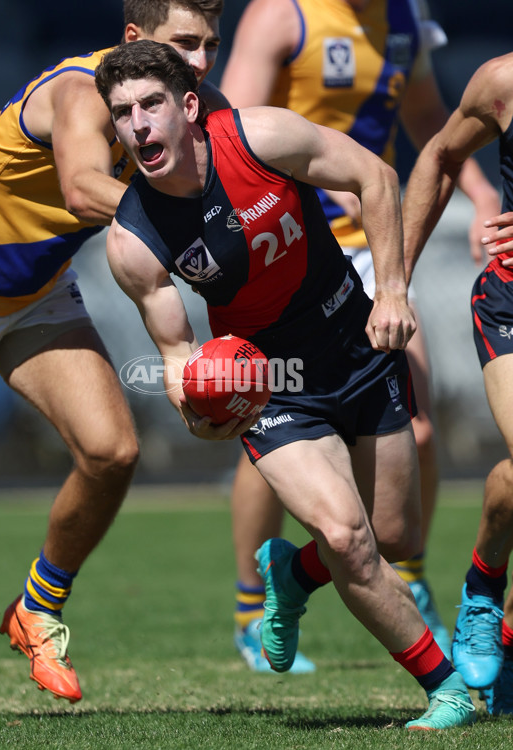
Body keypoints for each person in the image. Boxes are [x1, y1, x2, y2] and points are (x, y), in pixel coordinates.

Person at [96, 38, 476, 730]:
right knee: (348, 538)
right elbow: (178, 355)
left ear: (186, 106)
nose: (140, 124)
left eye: (151, 104)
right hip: (273, 385)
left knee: (393, 538)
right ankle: (445, 688)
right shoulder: (135, 240)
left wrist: (390, 290)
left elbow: (376, 179)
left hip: (358, 344)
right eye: (122, 114)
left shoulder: (259, 135)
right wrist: (200, 411)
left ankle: (294, 575)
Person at [0, 0, 225, 704]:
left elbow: (243, 163)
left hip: (37, 290)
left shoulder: (188, 101)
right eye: (185, 44)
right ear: (133, 40)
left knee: (113, 452)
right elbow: (84, 187)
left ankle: (36, 609)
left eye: (210, 45)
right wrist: (192, 228)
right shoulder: (80, 91)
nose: (201, 62)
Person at [218, 0, 501, 671]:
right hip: (288, 252)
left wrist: (480, 192)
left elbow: (430, 119)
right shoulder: (281, 16)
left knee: (420, 429)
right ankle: (250, 610)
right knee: (272, 427)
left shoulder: (406, 17)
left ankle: (404, 569)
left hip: (375, 245)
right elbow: (227, 141)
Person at [403, 51, 513, 716]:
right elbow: (440, 153)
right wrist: (393, 284)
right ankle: (483, 588)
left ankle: (497, 624)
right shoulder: (502, 82)